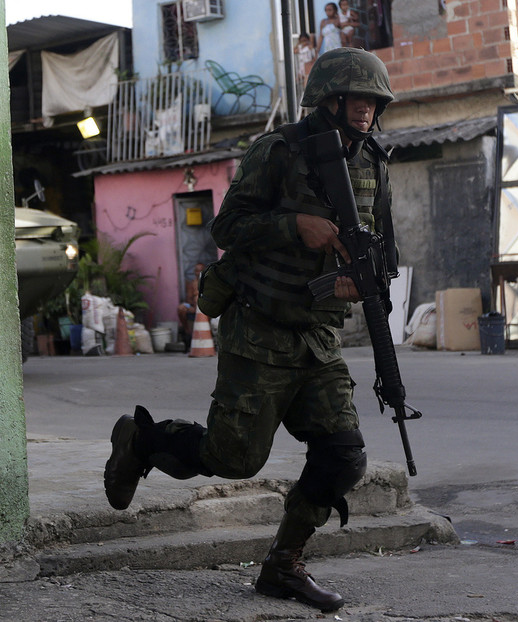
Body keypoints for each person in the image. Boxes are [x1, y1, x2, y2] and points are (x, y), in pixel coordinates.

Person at [102, 47, 396, 613]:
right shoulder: (278, 151)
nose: (366, 109)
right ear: (329, 99)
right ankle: (144, 440)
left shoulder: (373, 164)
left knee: (343, 455)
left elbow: (380, 252)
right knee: (235, 459)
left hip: (317, 335)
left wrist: (364, 283)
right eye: (357, 98)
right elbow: (228, 226)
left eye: (374, 101)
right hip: (258, 330)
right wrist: (295, 225)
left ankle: (283, 568)